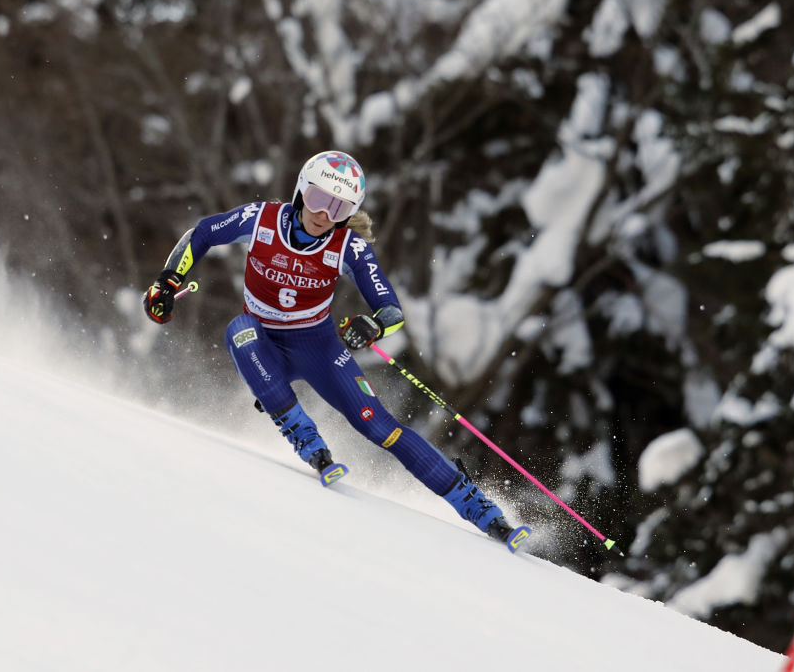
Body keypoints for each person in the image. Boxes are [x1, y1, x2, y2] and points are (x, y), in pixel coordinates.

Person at [143, 150, 516, 543]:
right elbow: (203, 233)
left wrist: (372, 325)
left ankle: (476, 505)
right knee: (240, 329)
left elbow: (391, 310)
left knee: (379, 426)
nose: (324, 214)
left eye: (338, 207)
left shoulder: (348, 248)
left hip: (317, 347)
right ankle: (305, 436)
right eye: (319, 199)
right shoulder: (262, 219)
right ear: (302, 191)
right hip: (263, 345)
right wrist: (168, 281)